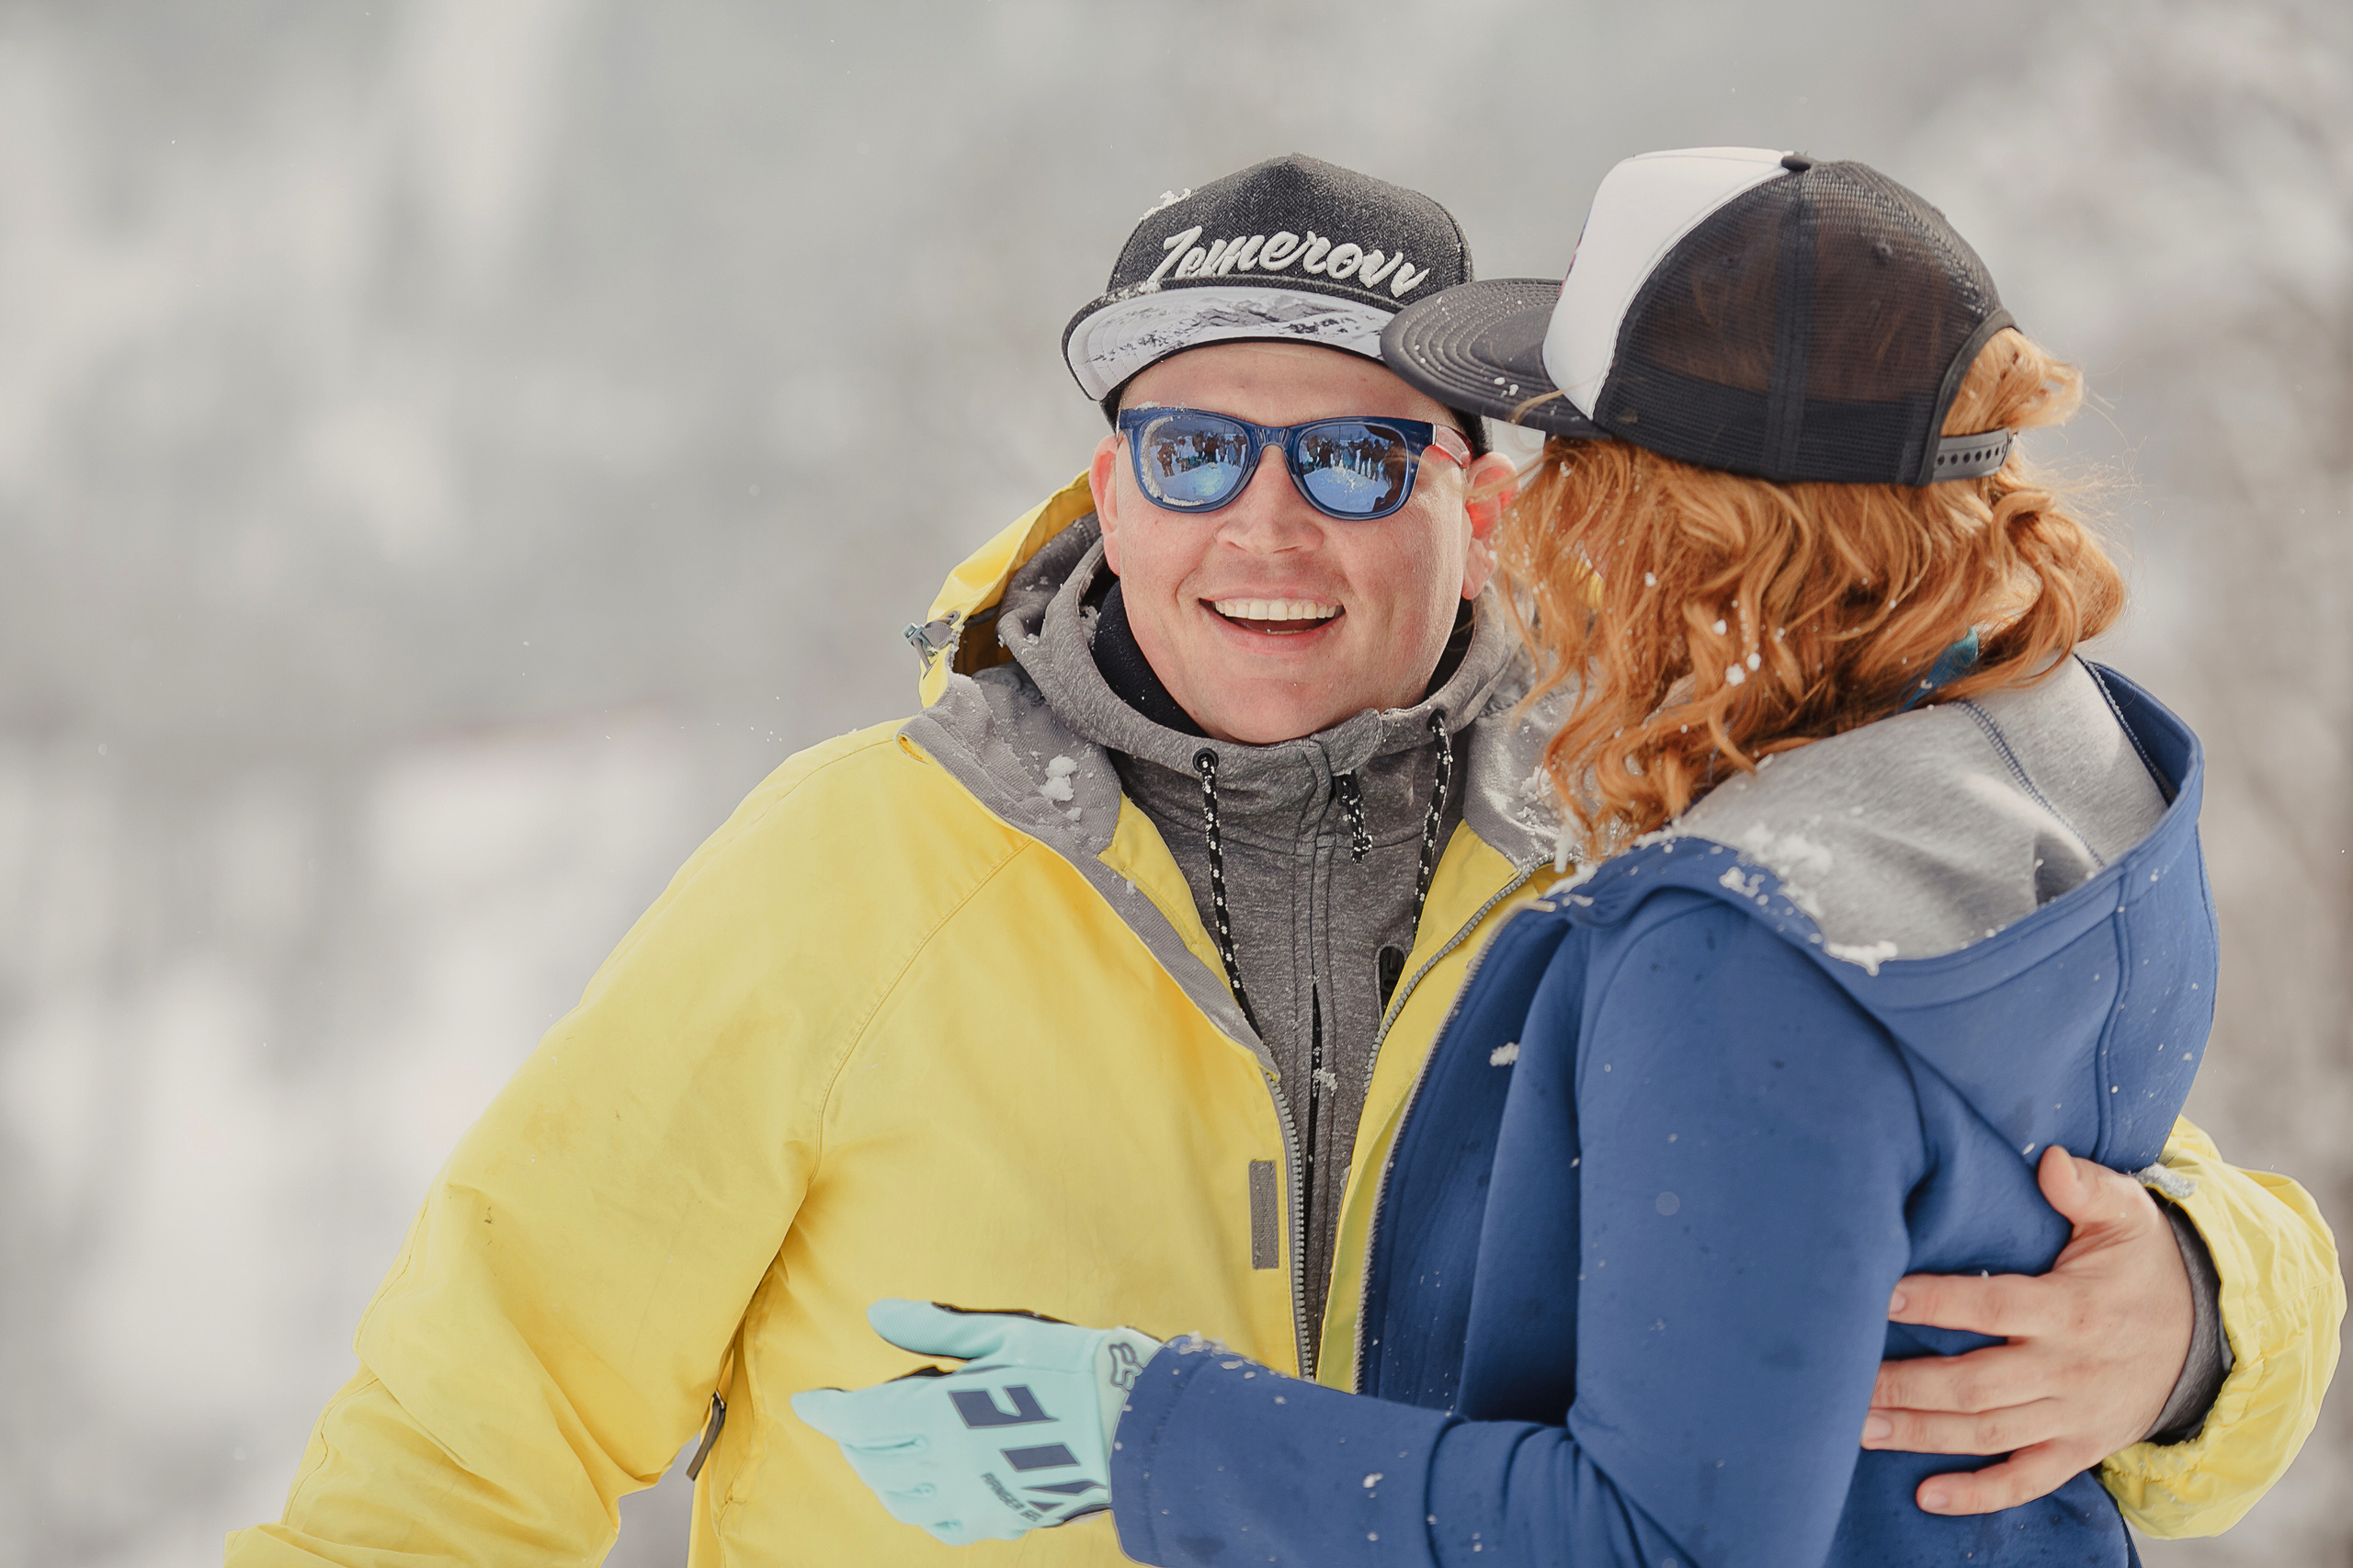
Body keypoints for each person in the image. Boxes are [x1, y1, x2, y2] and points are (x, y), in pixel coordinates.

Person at [228, 155, 2337, 1566]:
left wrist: (2190, 1322)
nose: (1268, 525)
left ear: (1483, 501)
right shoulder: (849, 874)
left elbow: (2135, 1195)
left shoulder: (1684, 831)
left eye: (1350, 454)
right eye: (1193, 447)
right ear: (1103, 488)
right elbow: (460, 1433)